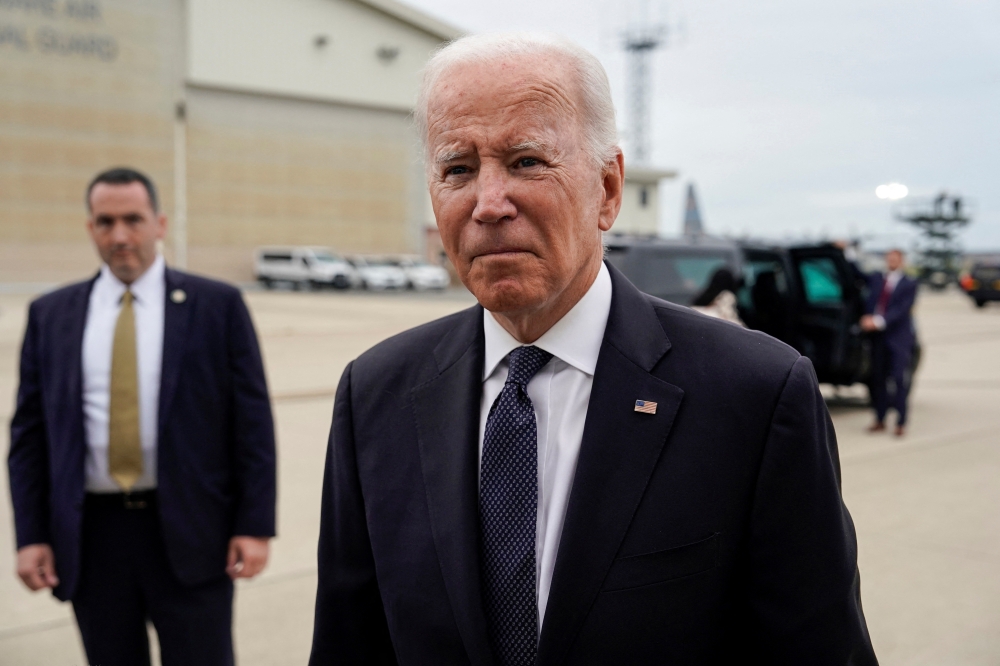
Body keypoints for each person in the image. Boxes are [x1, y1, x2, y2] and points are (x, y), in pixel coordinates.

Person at [309, 34, 876, 665]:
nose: (489, 204)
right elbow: (348, 643)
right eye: (458, 170)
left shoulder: (755, 395)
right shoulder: (376, 394)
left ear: (606, 190)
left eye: (526, 161)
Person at [8, 167, 277, 666]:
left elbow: (252, 423)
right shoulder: (52, 315)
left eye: (133, 220)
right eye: (105, 222)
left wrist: (254, 524)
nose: (120, 236)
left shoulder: (217, 306)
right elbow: (28, 436)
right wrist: (32, 535)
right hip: (91, 539)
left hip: (193, 532)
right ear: (90, 227)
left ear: (159, 223)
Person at [857, 249, 918, 436]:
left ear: (902, 261)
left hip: (898, 338)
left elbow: (902, 309)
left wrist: (877, 322)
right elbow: (855, 274)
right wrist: (846, 252)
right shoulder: (876, 278)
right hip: (878, 339)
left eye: (895, 258)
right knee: (878, 379)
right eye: (889, 257)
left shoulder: (910, 283)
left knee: (899, 379)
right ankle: (880, 418)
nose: (891, 261)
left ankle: (901, 421)